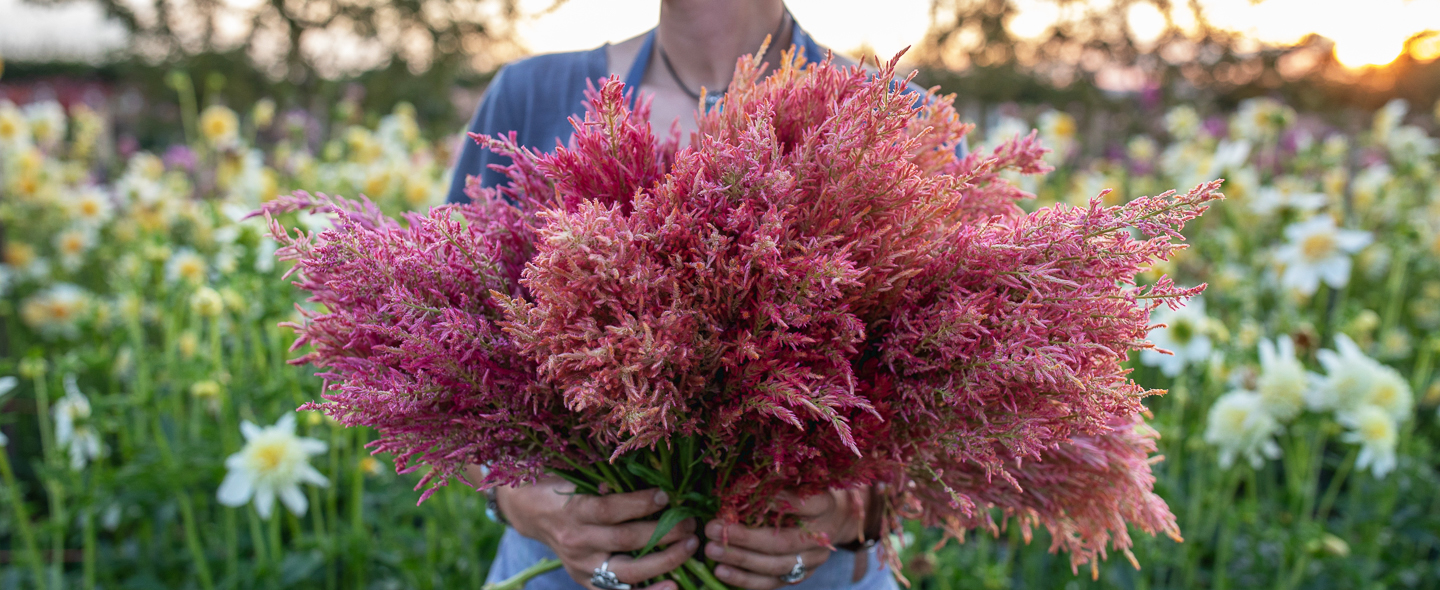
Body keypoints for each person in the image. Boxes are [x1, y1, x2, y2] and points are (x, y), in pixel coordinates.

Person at [451, 2, 901, 589]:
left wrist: (854, 511)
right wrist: (520, 500)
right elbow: (446, 363)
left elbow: (954, 403)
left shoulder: (890, 109)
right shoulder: (532, 94)